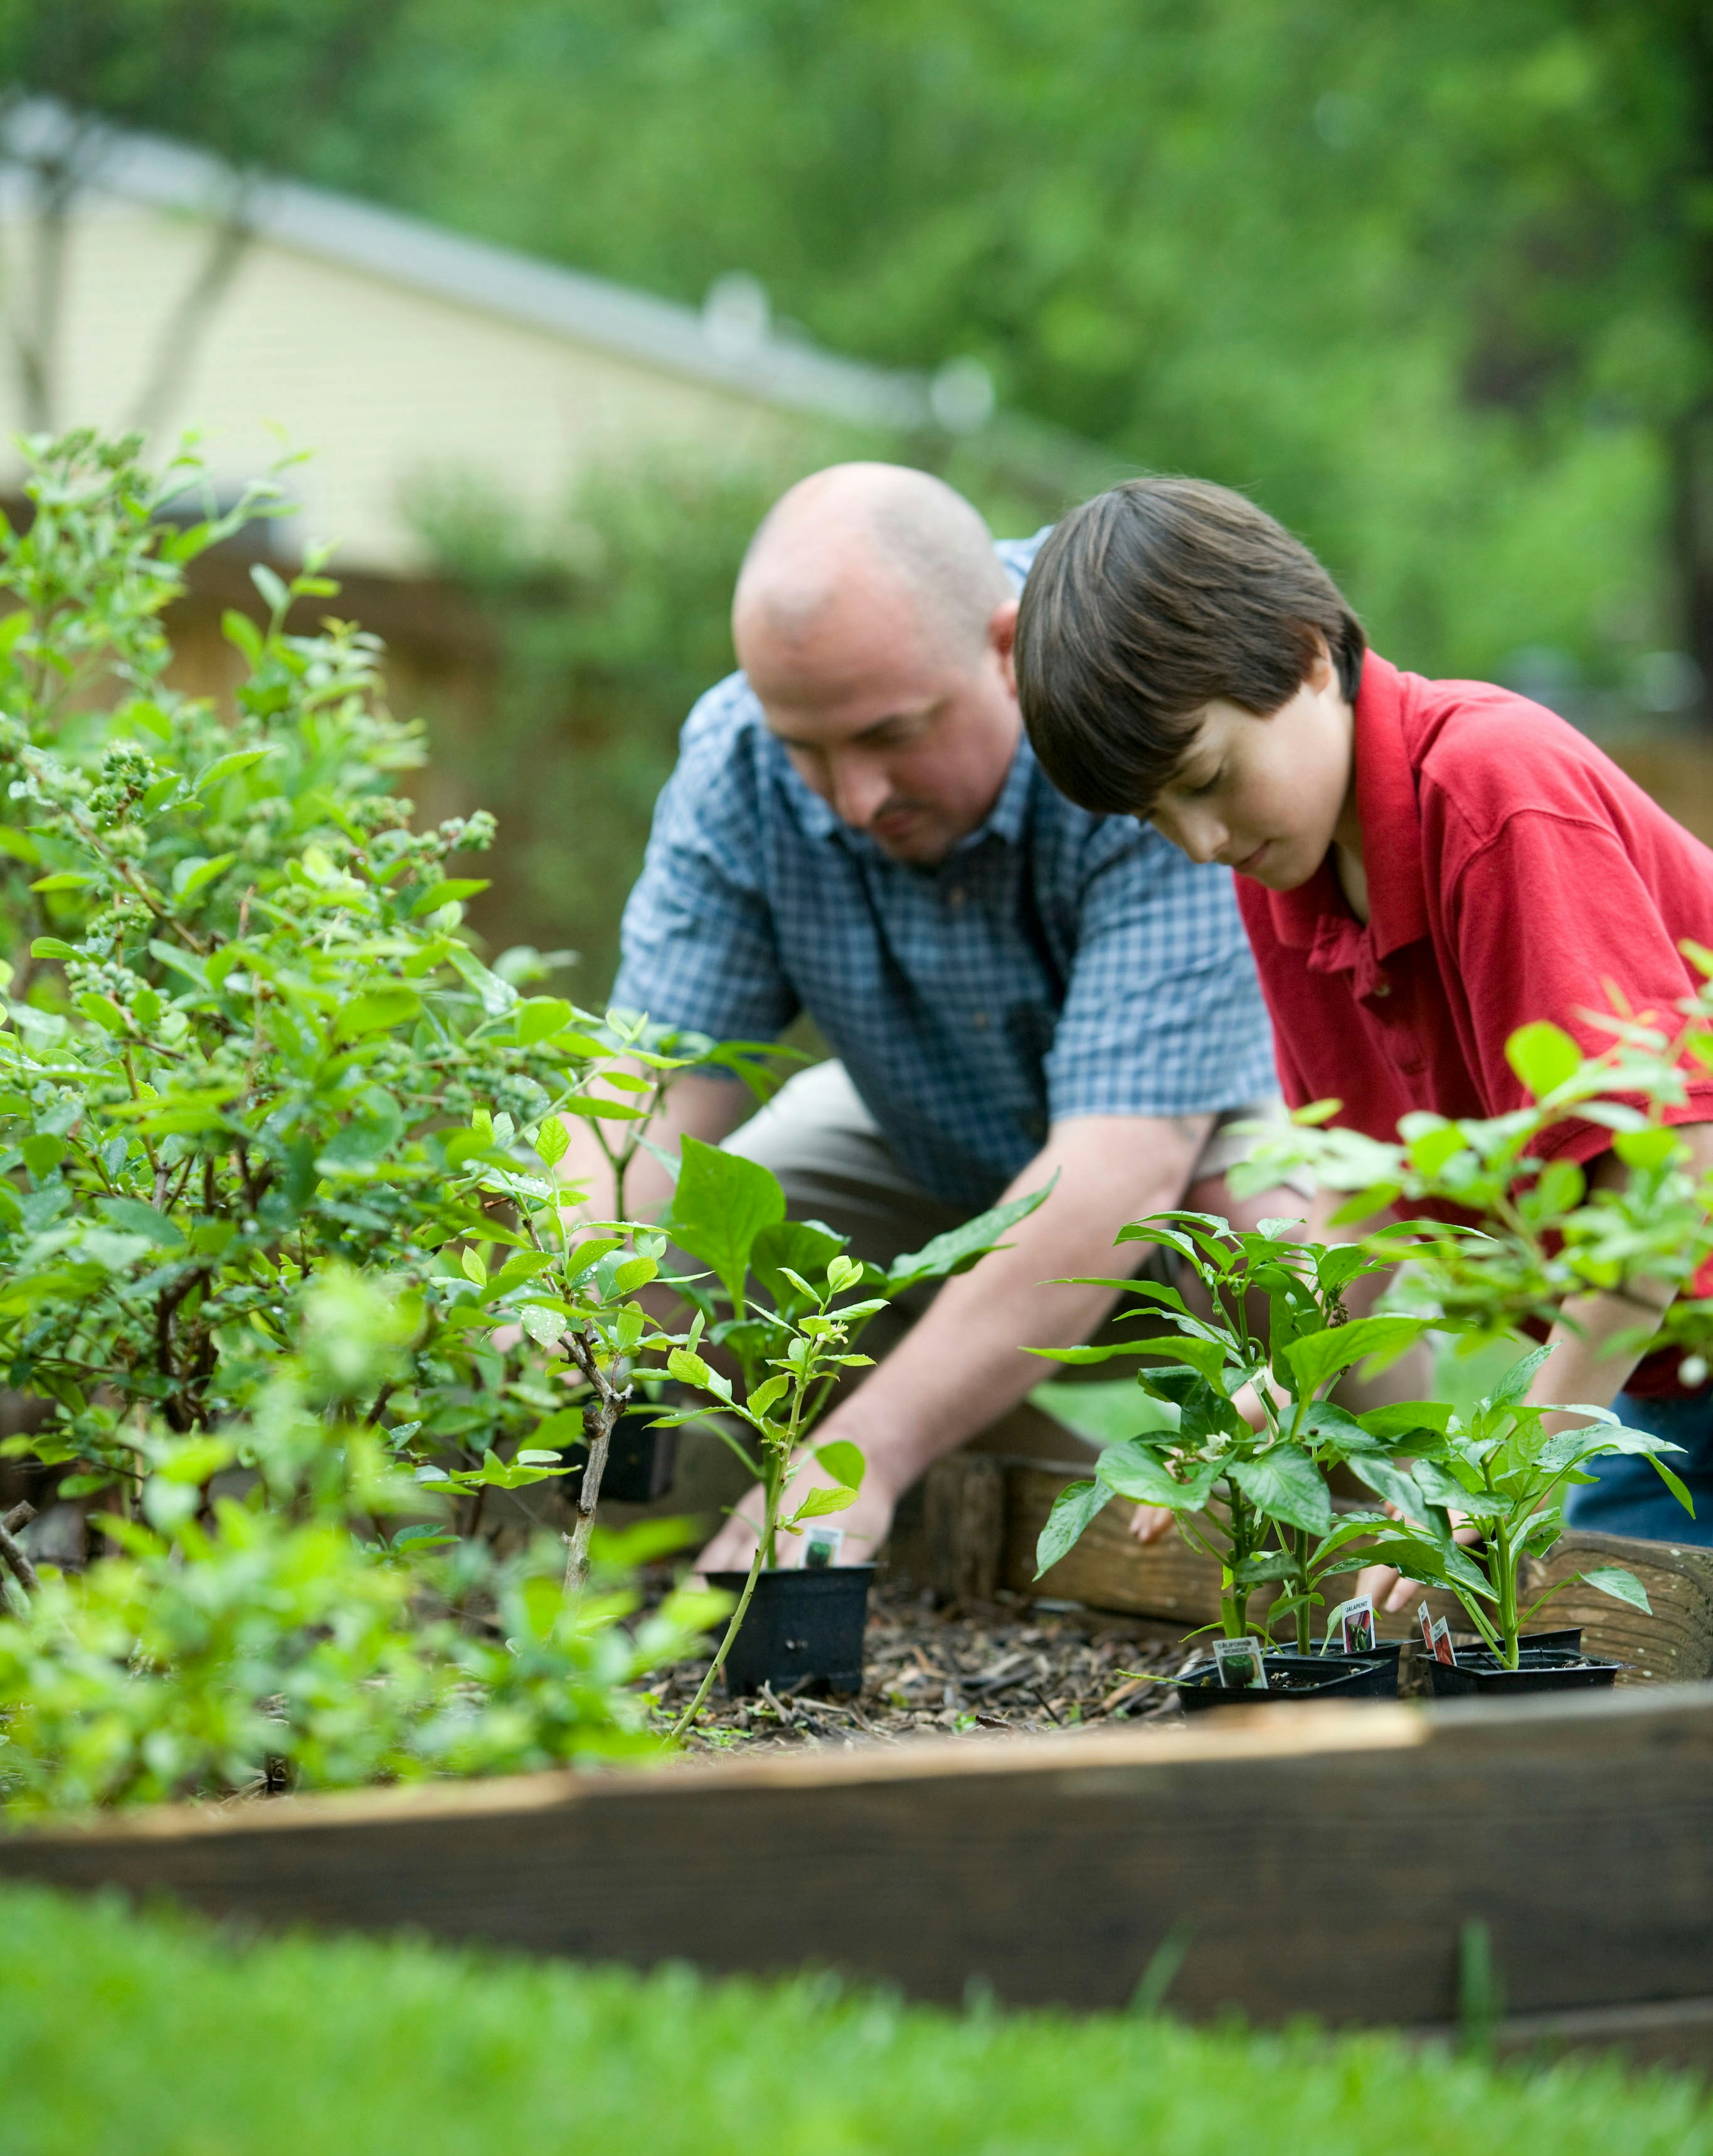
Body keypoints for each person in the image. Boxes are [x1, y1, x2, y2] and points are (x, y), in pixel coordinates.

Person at [562, 461, 1300, 1568]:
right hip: (930, 1155)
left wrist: (861, 1454)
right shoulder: (737, 762)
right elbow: (646, 1096)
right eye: (808, 748)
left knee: (1285, 1252)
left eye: (891, 735)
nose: (854, 798)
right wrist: (569, 1295)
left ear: (1006, 650)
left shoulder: (1127, 707)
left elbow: (1121, 1169)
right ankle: (1048, 1526)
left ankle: (1358, 1540)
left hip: (1190, 1155)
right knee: (714, 1240)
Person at [1012, 473, 1713, 1553]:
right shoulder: (1280, 874)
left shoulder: (1490, 792)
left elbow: (1665, 1177)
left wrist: (1499, 1469)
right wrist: (1269, 1401)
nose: (1198, 841)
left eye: (1205, 778)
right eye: (1155, 819)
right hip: (1665, 1372)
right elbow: (1368, 1193)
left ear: (1305, 654)